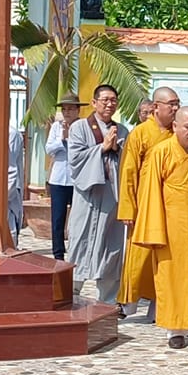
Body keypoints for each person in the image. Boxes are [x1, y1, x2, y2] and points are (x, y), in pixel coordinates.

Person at [133, 107, 188, 348]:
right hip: (170, 229)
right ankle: (174, 330)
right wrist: (154, 230)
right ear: (175, 127)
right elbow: (149, 193)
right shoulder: (160, 152)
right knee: (171, 280)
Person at [117, 87, 182, 313]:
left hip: (171, 206)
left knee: (166, 258)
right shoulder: (141, 133)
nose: (175, 108)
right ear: (156, 107)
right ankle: (129, 304)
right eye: (171, 104)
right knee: (139, 257)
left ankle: (158, 306)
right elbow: (128, 171)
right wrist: (128, 208)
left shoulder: (178, 134)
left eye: (177, 103)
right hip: (145, 205)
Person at [67, 84, 125, 303]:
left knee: (112, 243)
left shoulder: (123, 130)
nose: (110, 104)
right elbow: (75, 159)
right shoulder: (80, 128)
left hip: (112, 194)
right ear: (94, 103)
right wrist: (102, 147)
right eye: (105, 100)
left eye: (113, 100)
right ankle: (71, 290)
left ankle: (108, 299)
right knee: (79, 239)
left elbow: (127, 163)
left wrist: (116, 148)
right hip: (87, 194)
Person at [46, 93, 84, 261]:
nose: (67, 112)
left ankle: (77, 251)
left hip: (78, 180)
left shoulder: (83, 126)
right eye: (64, 109)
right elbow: (49, 149)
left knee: (78, 218)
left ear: (77, 110)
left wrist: (72, 139)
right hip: (59, 178)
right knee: (58, 218)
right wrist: (62, 140)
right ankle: (58, 253)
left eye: (70, 108)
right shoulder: (56, 127)